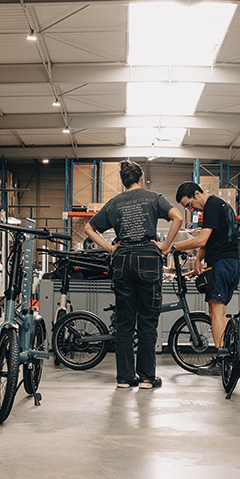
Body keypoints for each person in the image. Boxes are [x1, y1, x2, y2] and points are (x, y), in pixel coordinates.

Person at [84, 161, 183, 390]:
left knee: (124, 322)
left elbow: (89, 228)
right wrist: (166, 245)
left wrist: (110, 248)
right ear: (142, 177)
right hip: (148, 259)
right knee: (147, 321)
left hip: (122, 260)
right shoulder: (153, 197)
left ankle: (124, 378)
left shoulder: (114, 202)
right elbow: (177, 217)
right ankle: (147, 378)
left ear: (123, 181)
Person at [172, 181, 240, 354]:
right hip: (230, 263)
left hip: (222, 264)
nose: (191, 209)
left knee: (216, 313)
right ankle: (225, 356)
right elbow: (211, 239)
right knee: (218, 312)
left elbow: (201, 240)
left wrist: (172, 246)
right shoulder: (219, 205)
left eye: (189, 204)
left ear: (196, 194)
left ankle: (222, 358)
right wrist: (198, 259)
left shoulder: (212, 206)